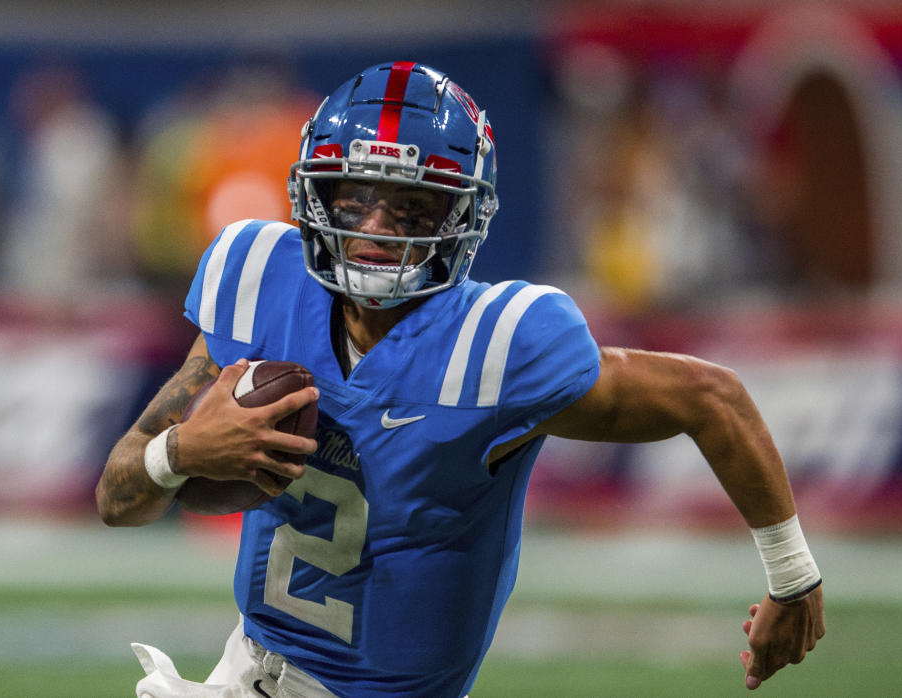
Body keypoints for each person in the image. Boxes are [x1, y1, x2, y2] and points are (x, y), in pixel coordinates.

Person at [96, 61, 824, 697]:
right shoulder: (259, 275)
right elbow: (117, 497)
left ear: (464, 213)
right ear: (315, 192)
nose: (378, 227)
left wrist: (791, 577)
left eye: (413, 204)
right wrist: (182, 454)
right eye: (354, 196)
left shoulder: (498, 346)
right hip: (245, 671)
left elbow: (711, 397)